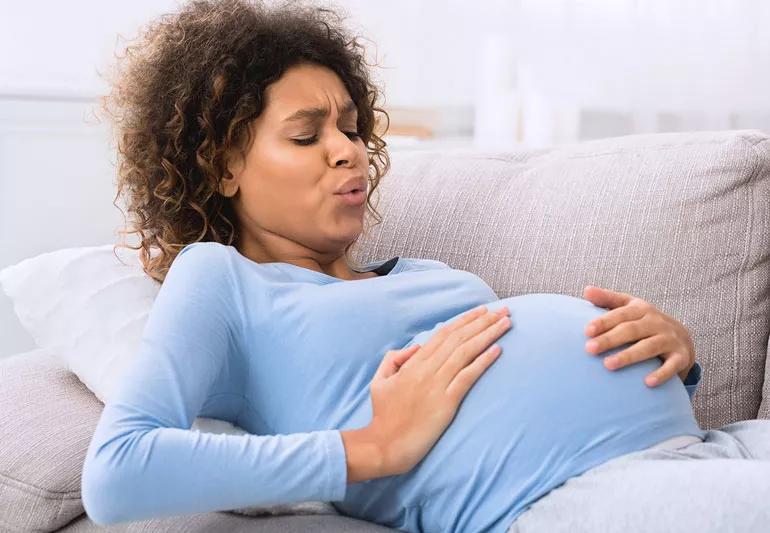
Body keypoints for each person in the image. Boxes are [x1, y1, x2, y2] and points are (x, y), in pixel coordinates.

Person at [81, 0, 770, 532]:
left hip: (711, 444)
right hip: (571, 494)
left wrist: (675, 356)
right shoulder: (222, 280)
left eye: (351, 128)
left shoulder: (421, 272)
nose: (347, 150)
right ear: (224, 164)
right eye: (305, 134)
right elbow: (117, 472)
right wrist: (367, 447)